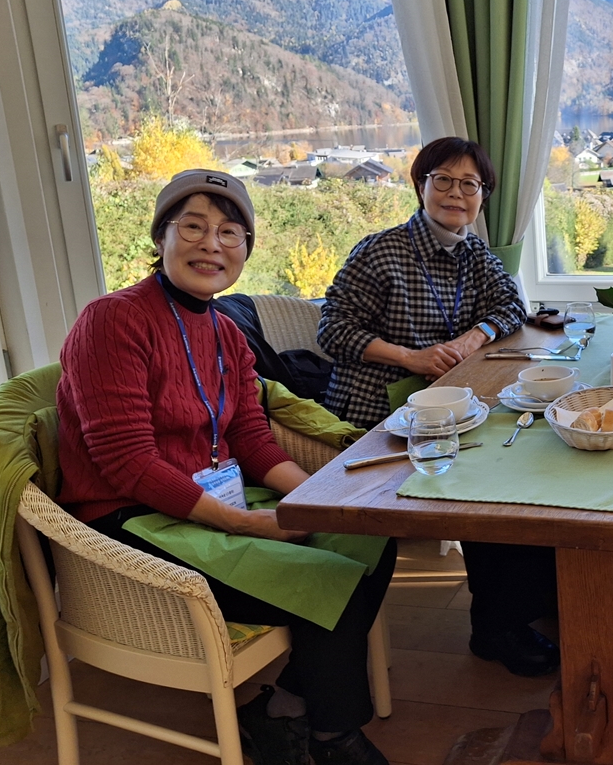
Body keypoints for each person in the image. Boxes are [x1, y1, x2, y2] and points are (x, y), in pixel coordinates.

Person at [56, 170, 395, 765]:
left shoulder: (227, 334)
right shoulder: (112, 319)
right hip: (131, 519)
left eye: (229, 232)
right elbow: (127, 461)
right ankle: (332, 738)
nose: (211, 244)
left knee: (368, 539)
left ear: (245, 248)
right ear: (161, 237)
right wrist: (244, 524)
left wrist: (319, 501)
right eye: (193, 227)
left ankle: (284, 708)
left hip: (210, 502)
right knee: (329, 581)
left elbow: (252, 440)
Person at [317, 136, 558, 677]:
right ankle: (499, 628)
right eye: (443, 180)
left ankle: (526, 606)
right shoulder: (381, 251)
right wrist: (412, 356)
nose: (456, 193)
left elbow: (510, 304)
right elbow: (332, 329)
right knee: (490, 480)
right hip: (378, 414)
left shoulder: (473, 253)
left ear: (483, 196)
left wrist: (472, 339)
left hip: (445, 408)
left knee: (524, 459)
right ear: (420, 185)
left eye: (470, 184)